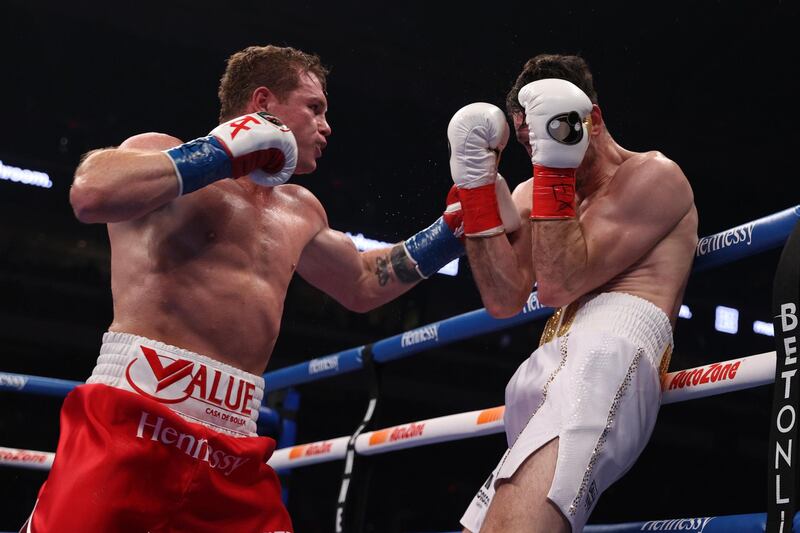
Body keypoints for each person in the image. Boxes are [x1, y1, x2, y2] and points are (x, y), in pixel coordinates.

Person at [21, 44, 505, 533]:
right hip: (134, 417)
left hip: (233, 445)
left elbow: (361, 282)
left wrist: (448, 235)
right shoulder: (161, 155)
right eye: (314, 108)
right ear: (263, 103)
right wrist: (219, 153)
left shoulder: (299, 208)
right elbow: (90, 192)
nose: (327, 125)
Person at [450, 54, 699, 532]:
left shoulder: (653, 176)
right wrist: (476, 189)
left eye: (553, 133)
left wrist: (553, 171)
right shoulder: (534, 192)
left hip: (607, 356)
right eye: (531, 142)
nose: (539, 151)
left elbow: (560, 282)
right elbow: (503, 299)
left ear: (595, 120)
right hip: (546, 363)